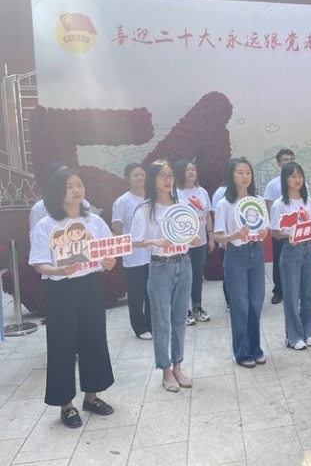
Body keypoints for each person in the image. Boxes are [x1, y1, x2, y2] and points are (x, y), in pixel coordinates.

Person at [29, 168, 115, 429]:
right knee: (62, 344)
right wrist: (59, 270)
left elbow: (108, 251)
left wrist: (108, 262)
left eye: (79, 184)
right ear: (57, 192)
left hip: (90, 285)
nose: (77, 190)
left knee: (94, 339)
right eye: (70, 186)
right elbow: (39, 263)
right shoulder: (46, 225)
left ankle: (92, 396)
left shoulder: (94, 221)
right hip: (61, 289)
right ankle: (66, 404)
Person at [131, 160, 196, 391]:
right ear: (152, 179)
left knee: (180, 318)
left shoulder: (182, 204)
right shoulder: (145, 209)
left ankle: (178, 366)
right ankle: (166, 370)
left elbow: (189, 232)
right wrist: (154, 241)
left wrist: (194, 238)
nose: (168, 180)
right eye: (162, 175)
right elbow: (135, 241)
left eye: (170, 175)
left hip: (184, 262)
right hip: (160, 267)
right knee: (161, 321)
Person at [214, 158, 269, 368]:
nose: (245, 176)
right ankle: (242, 352)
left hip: (256, 252)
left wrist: (263, 233)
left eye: (248, 172)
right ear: (231, 175)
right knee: (240, 305)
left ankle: (256, 349)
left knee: (256, 302)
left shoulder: (258, 200)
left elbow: (265, 227)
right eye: (240, 172)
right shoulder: (224, 203)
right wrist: (233, 236)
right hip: (236, 254)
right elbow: (218, 235)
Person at [270, 162, 311, 350]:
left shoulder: (309, 202)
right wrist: (288, 236)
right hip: (291, 250)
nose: (297, 180)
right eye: (293, 176)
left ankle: (308, 331)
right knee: (291, 295)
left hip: (309, 248)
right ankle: (293, 336)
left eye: (300, 175)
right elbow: (274, 231)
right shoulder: (280, 204)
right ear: (285, 179)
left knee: (310, 293)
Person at [111, 163, 152, 339]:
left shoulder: (152, 198)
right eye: (136, 175)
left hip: (152, 253)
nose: (140, 178)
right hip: (134, 256)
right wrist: (125, 245)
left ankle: (152, 323)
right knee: (136, 293)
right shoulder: (123, 201)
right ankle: (140, 327)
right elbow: (116, 225)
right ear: (127, 178)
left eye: (142, 174)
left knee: (152, 292)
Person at [175, 159, 215, 325]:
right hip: (183, 244)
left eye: (193, 169)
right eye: (187, 170)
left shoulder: (202, 191)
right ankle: (183, 310)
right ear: (180, 173)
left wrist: (211, 237)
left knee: (197, 276)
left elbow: (207, 215)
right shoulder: (175, 193)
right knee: (183, 278)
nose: (191, 172)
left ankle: (197, 307)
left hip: (201, 241)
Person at [264, 149, 296, 304]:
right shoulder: (273, 184)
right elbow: (269, 206)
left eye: (291, 159)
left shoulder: (300, 182)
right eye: (285, 159)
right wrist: (276, 227)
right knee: (279, 261)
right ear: (278, 163)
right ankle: (279, 291)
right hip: (280, 231)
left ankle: (296, 289)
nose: (288, 162)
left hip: (297, 231)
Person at [211, 173, 230, 311]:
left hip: (246, 242)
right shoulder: (220, 192)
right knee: (228, 274)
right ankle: (230, 301)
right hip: (227, 242)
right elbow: (215, 215)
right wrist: (222, 238)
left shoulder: (250, 193)